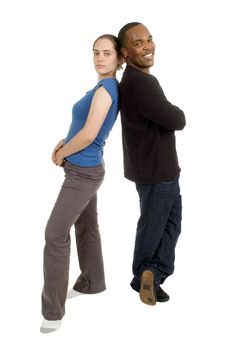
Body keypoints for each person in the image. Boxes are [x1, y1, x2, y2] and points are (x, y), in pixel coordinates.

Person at [40, 34, 122, 333]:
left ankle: (52, 311)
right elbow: (83, 129)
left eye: (107, 54)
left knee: (54, 234)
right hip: (85, 168)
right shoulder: (100, 87)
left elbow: (89, 134)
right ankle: (92, 282)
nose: (100, 58)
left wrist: (63, 152)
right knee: (87, 225)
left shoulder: (107, 88)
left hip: (83, 173)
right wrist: (64, 142)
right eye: (96, 53)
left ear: (119, 59)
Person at [117, 22, 186, 306]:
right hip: (158, 171)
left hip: (152, 168)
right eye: (138, 43)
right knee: (155, 225)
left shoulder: (134, 82)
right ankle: (144, 275)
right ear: (124, 52)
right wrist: (176, 109)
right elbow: (176, 120)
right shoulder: (141, 82)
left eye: (149, 39)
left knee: (168, 222)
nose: (147, 46)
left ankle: (153, 274)